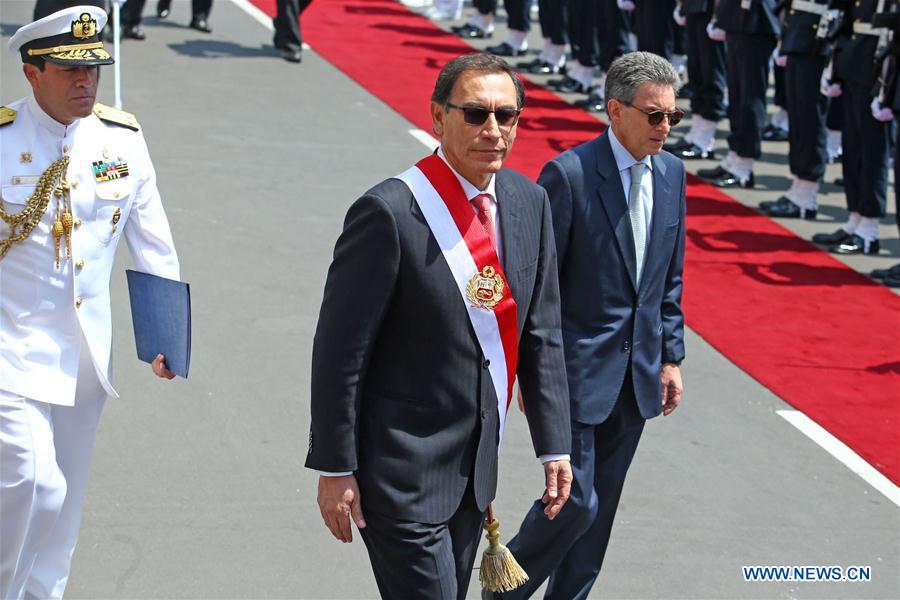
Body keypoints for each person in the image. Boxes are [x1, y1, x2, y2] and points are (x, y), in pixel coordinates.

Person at [306, 52, 573, 599]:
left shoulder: (529, 202)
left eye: (507, 116)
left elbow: (541, 333)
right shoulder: (388, 212)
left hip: (476, 474)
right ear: (437, 117)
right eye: (475, 114)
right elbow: (340, 354)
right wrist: (334, 467)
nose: (493, 131)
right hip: (400, 474)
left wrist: (555, 447)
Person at [488, 51, 686, 600]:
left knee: (600, 516)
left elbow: (669, 278)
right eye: (653, 115)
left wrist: (671, 356)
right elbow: (535, 282)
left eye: (672, 116)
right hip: (573, 373)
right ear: (615, 110)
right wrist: (530, 372)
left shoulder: (671, 174)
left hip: (638, 374)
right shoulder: (570, 175)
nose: (664, 127)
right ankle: (502, 591)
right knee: (574, 501)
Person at [1, 5, 180, 599]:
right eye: (69, 71)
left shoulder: (121, 140)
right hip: (10, 350)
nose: (86, 83)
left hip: (84, 360)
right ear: (32, 71)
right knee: (35, 485)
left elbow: (153, 245)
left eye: (95, 70)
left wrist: (166, 338)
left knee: (65, 512)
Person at [697, 0, 780, 188]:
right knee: (736, 95)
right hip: (738, 18)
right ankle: (734, 155)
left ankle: (744, 164)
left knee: (750, 98)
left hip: (757, 20)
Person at [665, 0, 726, 160]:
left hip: (712, 8)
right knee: (696, 71)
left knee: (711, 73)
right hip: (695, 6)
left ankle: (705, 138)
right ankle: (696, 132)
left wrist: (719, 15)